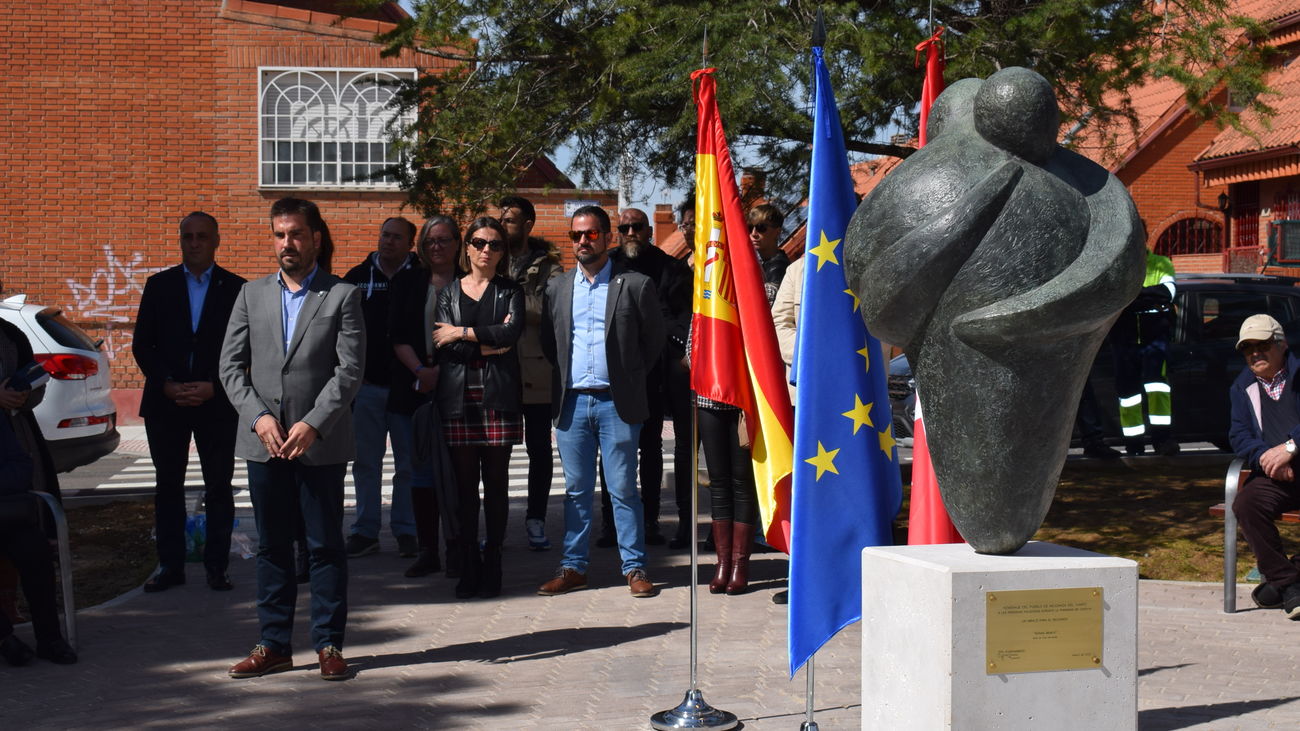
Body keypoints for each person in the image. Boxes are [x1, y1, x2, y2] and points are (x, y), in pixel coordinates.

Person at [220, 197, 364, 681]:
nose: (287, 243)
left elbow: (349, 371)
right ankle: (273, 644)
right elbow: (230, 367)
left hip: (317, 444)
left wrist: (313, 423)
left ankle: (328, 645)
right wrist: (259, 418)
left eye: (296, 234)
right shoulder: (250, 295)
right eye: (280, 235)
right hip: (264, 443)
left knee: (324, 546)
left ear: (315, 239)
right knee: (272, 547)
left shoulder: (342, 295)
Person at [536, 205, 665, 598]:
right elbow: (549, 342)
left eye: (591, 234)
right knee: (576, 491)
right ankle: (573, 567)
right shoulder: (557, 288)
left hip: (616, 403)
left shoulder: (635, 284)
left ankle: (635, 567)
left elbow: (653, 341)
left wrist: (628, 376)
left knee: (623, 488)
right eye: (576, 235)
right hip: (572, 403)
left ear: (608, 237)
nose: (582, 241)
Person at [132, 211, 246, 592]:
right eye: (187, 237)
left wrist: (216, 385)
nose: (194, 243)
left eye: (201, 236)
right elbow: (142, 344)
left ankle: (217, 566)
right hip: (167, 402)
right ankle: (170, 566)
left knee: (219, 485)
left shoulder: (237, 289)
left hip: (217, 401)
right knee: (168, 485)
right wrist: (165, 383)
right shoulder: (159, 285)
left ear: (216, 240)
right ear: (180, 240)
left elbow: (245, 349)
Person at [697, 202, 789, 595]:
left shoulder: (776, 274)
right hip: (712, 387)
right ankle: (721, 564)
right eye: (748, 228)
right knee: (716, 480)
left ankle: (740, 565)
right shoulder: (716, 274)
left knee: (741, 480)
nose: (752, 235)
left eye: (762, 228)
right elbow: (698, 325)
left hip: (750, 390)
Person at [432, 216, 525, 599]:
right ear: (467, 247)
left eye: (495, 244)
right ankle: (467, 562)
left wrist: (464, 332)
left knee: (498, 486)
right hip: (459, 399)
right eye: (480, 242)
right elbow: (443, 342)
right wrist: (489, 343)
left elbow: (511, 333)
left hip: (498, 397)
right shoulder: (449, 292)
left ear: (503, 251)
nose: (487, 250)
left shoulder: (510, 290)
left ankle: (495, 562)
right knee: (465, 489)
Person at [595, 207, 691, 548]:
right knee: (612, 451)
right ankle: (610, 523)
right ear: (616, 232)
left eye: (637, 227)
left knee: (650, 448)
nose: (631, 232)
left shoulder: (671, 268)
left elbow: (683, 319)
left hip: (655, 372)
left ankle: (650, 521)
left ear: (649, 230)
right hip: (616, 373)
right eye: (625, 227)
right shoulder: (606, 266)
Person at [343, 216, 422, 559]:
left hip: (408, 389)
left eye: (396, 238)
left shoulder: (420, 278)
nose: (387, 242)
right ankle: (365, 530)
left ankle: (406, 530)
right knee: (365, 463)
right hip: (368, 386)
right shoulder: (356, 279)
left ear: (410, 244)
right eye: (384, 235)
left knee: (408, 464)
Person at [389, 216, 461, 579]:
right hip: (416, 389)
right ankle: (428, 549)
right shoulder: (407, 282)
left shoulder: (471, 282)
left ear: (457, 243)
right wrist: (422, 372)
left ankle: (458, 548)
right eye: (430, 241)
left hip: (462, 391)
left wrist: (446, 375)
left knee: (459, 474)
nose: (437, 247)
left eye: (444, 240)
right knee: (421, 473)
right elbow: (398, 336)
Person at [499, 195, 563, 551]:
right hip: (500, 370)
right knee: (498, 452)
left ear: (527, 225)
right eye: (501, 218)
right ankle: (496, 523)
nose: (503, 224)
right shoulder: (490, 257)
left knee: (539, 449)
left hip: (537, 371)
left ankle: (536, 518)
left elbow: (550, 307)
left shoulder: (548, 266)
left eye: (510, 220)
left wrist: (510, 300)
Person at [1229, 314, 1300, 617]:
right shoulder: (1242, 386)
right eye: (1248, 349)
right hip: (1275, 475)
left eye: (1263, 345)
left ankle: (1285, 584)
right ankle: (1289, 585)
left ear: (1281, 344)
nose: (1255, 353)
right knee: (1246, 503)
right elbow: (1238, 434)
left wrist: (1290, 448)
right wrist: (1266, 459)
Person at [0, 414, 76, 666]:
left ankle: (50, 639)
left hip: (7, 515)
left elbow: (21, 465)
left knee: (35, 551)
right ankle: (5, 639)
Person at [1111, 247, 1178, 456]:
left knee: (1158, 387)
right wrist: (1149, 297)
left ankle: (1162, 440)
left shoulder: (1161, 263)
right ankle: (1133, 445)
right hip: (1125, 339)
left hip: (1155, 337)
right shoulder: (1118, 265)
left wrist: (1132, 297)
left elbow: (1168, 293)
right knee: (1128, 395)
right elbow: (1113, 298)